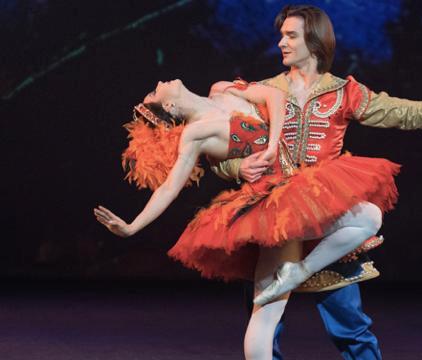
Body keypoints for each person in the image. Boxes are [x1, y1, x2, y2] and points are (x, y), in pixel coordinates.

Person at [211, 4, 422, 358]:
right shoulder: (262, 92)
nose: (281, 43)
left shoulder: (345, 93)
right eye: (281, 35)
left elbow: (407, 113)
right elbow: (219, 150)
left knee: (352, 329)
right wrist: (238, 170)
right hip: (274, 222)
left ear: (314, 42)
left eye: (290, 36)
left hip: (324, 224)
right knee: (265, 330)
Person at [94, 78, 401, 359]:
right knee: (265, 313)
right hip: (271, 207)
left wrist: (271, 145)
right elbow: (169, 187)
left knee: (369, 217)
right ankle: (294, 274)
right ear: (171, 107)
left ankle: (299, 271)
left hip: (305, 190)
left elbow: (273, 97)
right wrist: (132, 226)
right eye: (155, 90)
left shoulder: (221, 89)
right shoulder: (197, 133)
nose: (160, 82)